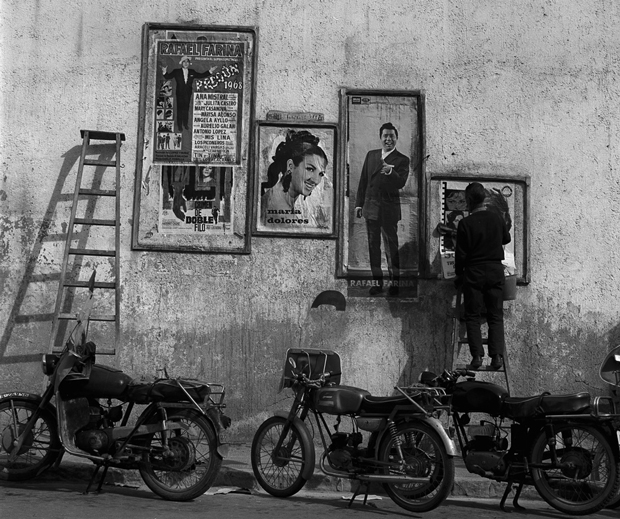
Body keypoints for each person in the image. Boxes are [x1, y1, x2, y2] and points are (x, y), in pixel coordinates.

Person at [454, 182, 511, 370]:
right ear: (484, 199)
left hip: (474, 273)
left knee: (473, 316)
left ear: (469, 201)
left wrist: (458, 275)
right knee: (495, 315)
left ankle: (477, 356)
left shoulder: (465, 223)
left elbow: (460, 256)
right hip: (495, 271)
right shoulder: (496, 218)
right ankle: (496, 357)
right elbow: (506, 238)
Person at [355, 122, 410, 296]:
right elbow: (363, 180)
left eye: (391, 136)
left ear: (396, 138)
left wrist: (390, 173)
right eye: (385, 136)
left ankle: (395, 284)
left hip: (389, 210)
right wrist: (359, 204)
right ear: (380, 137)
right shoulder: (371, 156)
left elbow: (401, 182)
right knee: (373, 247)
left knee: (391, 248)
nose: (388, 139)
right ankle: (377, 283)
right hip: (371, 209)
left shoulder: (402, 159)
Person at [260, 130, 328, 226]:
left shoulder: (274, 197)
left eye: (321, 174)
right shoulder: (279, 212)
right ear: (291, 166)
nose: (316, 180)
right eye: (310, 169)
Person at [161, 56, 217, 131]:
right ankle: (180, 126)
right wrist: (164, 71)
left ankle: (185, 124)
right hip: (179, 93)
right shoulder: (176, 71)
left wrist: (210, 71)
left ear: (189, 63)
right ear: (181, 63)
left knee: (186, 109)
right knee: (180, 109)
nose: (186, 63)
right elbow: (168, 76)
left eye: (187, 62)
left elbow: (201, 75)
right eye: (184, 62)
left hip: (188, 93)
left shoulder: (192, 72)